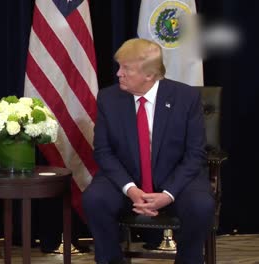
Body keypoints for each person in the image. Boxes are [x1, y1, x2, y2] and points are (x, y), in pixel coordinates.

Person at [82, 38, 214, 264]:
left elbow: (195, 154)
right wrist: (132, 190)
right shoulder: (108, 98)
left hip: (176, 178)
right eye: (119, 67)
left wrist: (168, 194)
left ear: (150, 75)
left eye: (126, 69)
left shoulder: (186, 98)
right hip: (127, 177)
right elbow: (103, 151)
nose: (118, 74)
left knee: (201, 205)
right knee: (95, 199)